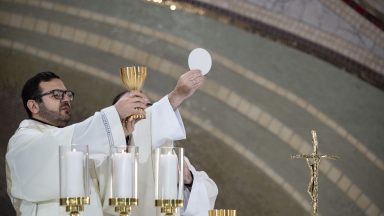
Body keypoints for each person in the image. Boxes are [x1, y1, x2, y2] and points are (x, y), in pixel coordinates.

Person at [6, 70, 217, 216]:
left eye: (68, 94)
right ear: (33, 105)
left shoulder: (87, 148)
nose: (66, 99)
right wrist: (170, 100)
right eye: (56, 94)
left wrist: (188, 180)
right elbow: (61, 144)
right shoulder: (24, 143)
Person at [102, 74, 218, 215]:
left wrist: (189, 180)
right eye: (135, 105)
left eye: (150, 107)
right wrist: (177, 95)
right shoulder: (102, 156)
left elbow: (209, 193)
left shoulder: (171, 158)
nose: (144, 113)